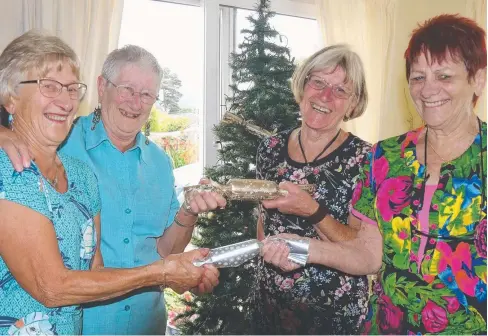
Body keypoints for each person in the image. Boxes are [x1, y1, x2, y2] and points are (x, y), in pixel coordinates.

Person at [262, 14, 487, 335]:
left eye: (444, 76)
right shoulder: (385, 156)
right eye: (418, 77)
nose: (428, 90)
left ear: (477, 79)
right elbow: (368, 254)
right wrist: (301, 248)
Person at [0, 33, 224, 335]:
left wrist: (181, 259)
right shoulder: (18, 161)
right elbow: (51, 286)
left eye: (147, 95)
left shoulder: (85, 175)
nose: (65, 101)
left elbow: (109, 266)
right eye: (128, 89)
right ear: (101, 87)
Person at [255, 44, 371, 334]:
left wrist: (312, 211)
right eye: (318, 82)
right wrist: (268, 254)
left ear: (352, 103)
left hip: (333, 314)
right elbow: (262, 221)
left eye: (340, 90)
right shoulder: (270, 148)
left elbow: (361, 248)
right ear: (303, 84)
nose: (325, 96)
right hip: (270, 306)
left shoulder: (366, 160)